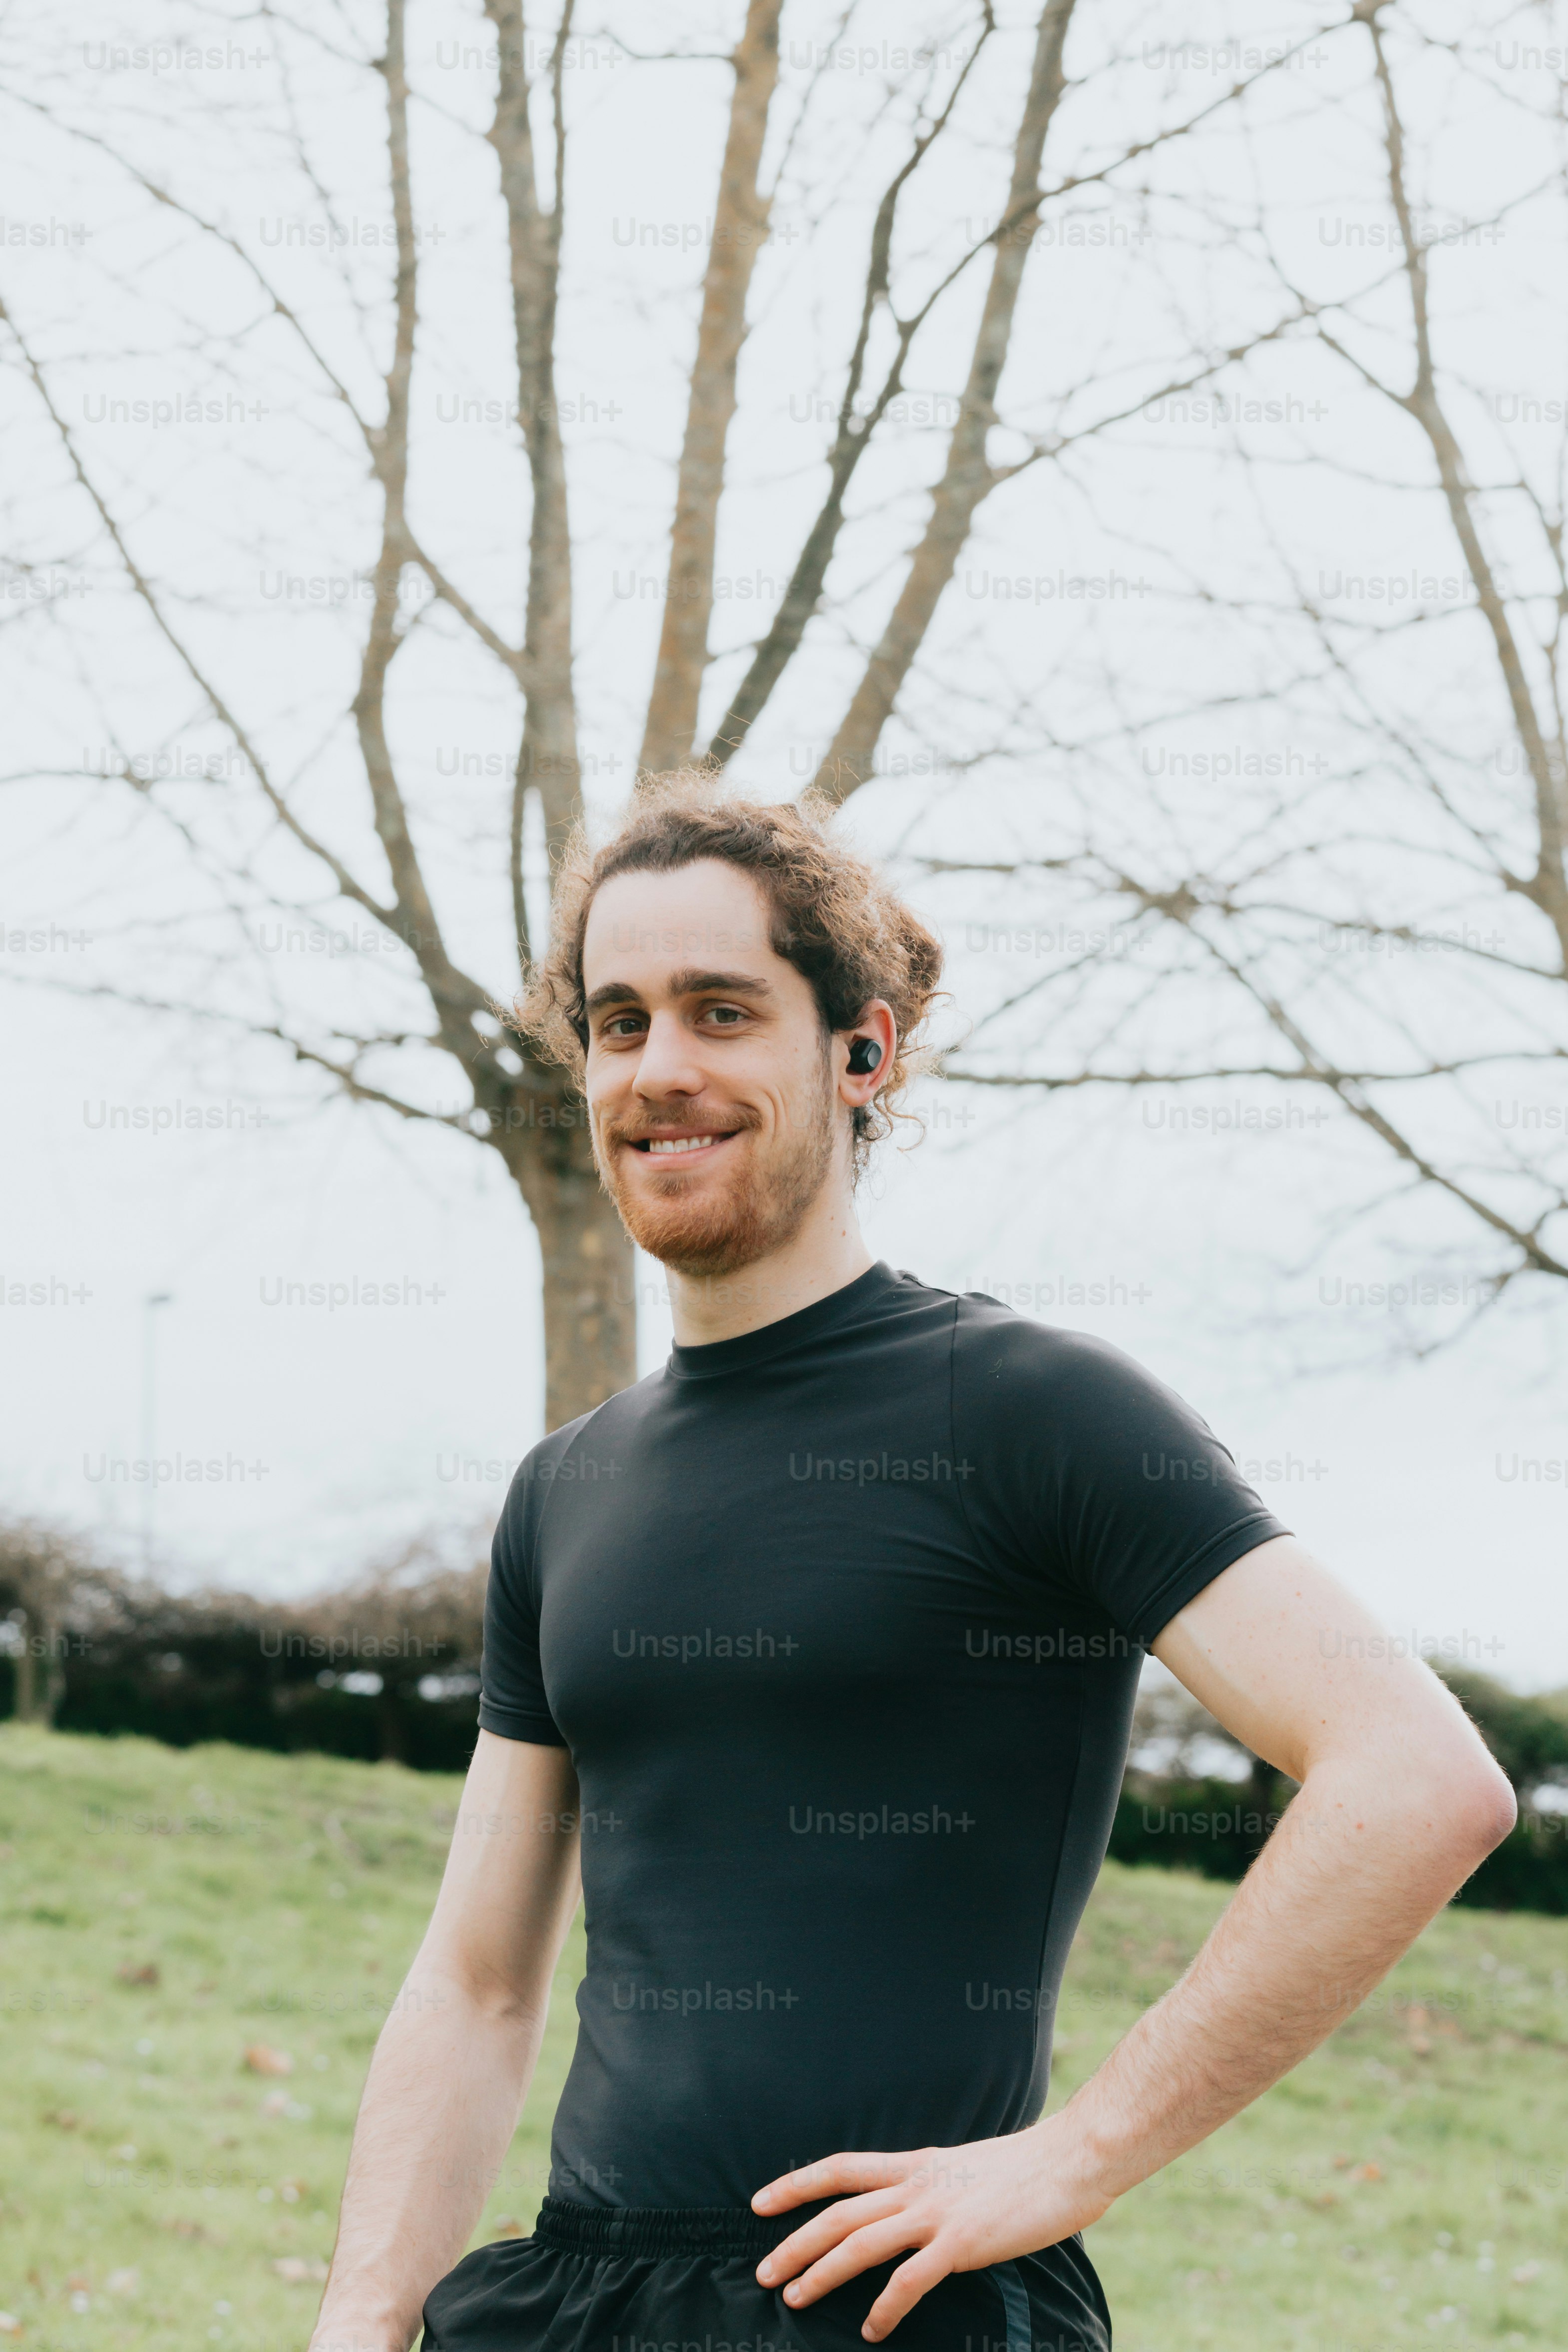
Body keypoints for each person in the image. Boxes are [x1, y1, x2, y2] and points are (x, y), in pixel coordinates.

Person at [308, 776, 1515, 2352]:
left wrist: (1074, 2159)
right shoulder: (564, 1490)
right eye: (619, 1024)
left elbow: (1416, 1779)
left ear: (859, 1050)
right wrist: (359, 2317)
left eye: (721, 1011)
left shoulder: (1029, 1410)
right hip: (576, 2304)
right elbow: (477, 1983)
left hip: (899, 2309)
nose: (660, 1068)